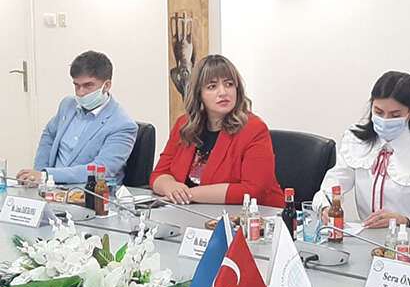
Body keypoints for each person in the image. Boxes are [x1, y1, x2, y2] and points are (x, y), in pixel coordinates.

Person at [312, 71, 410, 234]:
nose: (385, 120)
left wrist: (404, 222)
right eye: (378, 112)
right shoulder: (356, 142)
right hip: (365, 239)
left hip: (409, 244)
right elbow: (330, 189)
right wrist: (326, 207)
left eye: (395, 115)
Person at [150, 54, 283, 206]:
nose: (223, 92)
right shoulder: (185, 125)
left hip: (252, 215)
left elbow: (252, 190)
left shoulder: (254, 129)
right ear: (199, 94)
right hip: (193, 212)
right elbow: (159, 174)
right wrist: (171, 187)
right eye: (212, 86)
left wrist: (188, 194)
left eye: (229, 84)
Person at [17, 51, 137, 185]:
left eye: (88, 85)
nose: (81, 93)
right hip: (50, 187)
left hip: (88, 191)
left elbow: (102, 169)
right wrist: (38, 175)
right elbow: (49, 135)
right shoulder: (68, 105)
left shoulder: (123, 125)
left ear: (106, 86)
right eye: (76, 85)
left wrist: (47, 175)